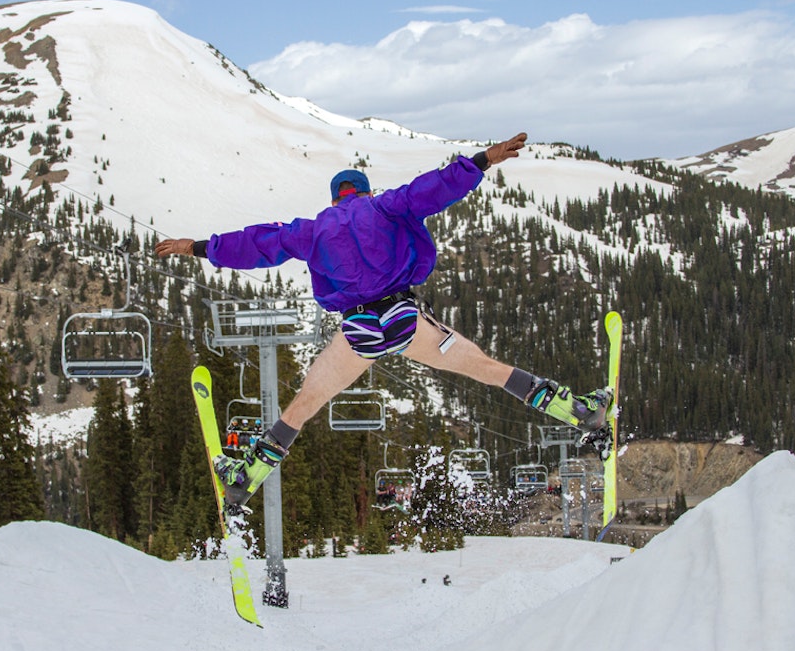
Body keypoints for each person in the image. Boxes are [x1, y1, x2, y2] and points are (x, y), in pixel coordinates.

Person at [156, 133, 611, 507]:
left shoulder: (312, 230)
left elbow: (255, 244)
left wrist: (196, 247)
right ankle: (578, 411)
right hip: (403, 319)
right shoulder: (386, 206)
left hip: (357, 333)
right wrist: (480, 161)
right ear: (366, 191)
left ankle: (247, 477)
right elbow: (432, 189)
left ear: (335, 197)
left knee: (306, 403)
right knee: (486, 369)